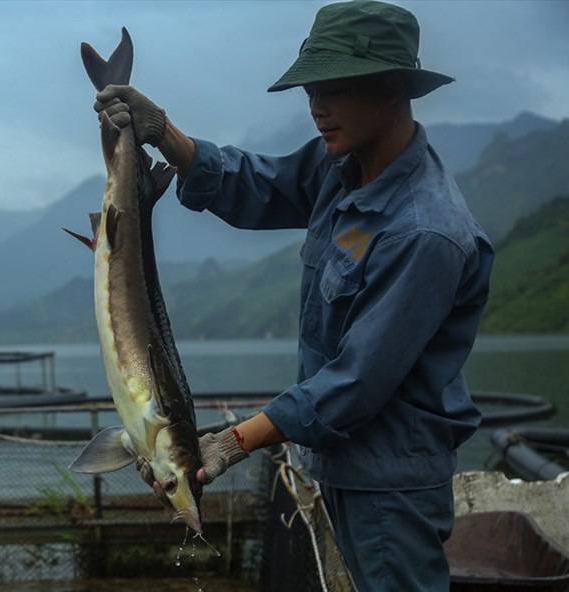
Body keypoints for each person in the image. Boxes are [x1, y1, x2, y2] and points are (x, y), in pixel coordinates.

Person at [96, 1, 494, 590]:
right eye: (310, 90)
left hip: (390, 485)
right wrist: (164, 135)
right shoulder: (344, 166)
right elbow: (259, 185)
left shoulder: (424, 232)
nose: (316, 107)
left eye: (332, 89)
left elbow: (355, 383)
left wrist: (231, 441)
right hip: (343, 467)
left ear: (390, 87)